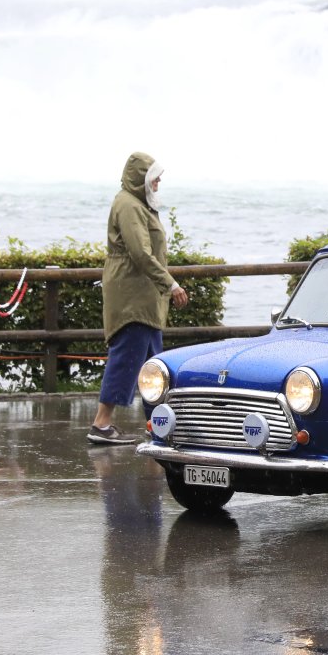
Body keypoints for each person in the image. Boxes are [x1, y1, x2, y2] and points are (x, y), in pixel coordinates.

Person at [89, 152, 188, 444]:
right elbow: (140, 253)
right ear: (140, 179)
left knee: (152, 364)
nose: (158, 183)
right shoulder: (129, 205)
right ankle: (101, 423)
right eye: (154, 178)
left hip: (144, 299)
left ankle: (157, 424)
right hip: (133, 300)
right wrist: (171, 284)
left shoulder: (137, 203)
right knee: (126, 360)